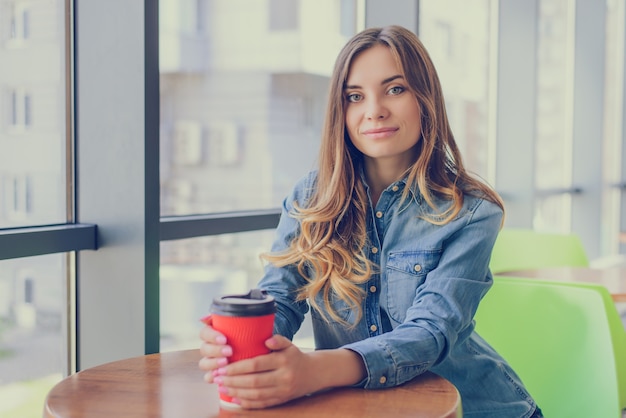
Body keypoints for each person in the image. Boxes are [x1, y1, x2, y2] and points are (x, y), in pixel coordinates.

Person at [199, 25, 542, 418]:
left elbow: (428, 334)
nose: (374, 109)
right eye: (355, 97)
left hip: (473, 408)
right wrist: (247, 352)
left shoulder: (472, 211)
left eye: (395, 89)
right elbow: (280, 298)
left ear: (425, 99)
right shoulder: (311, 198)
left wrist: (312, 370)